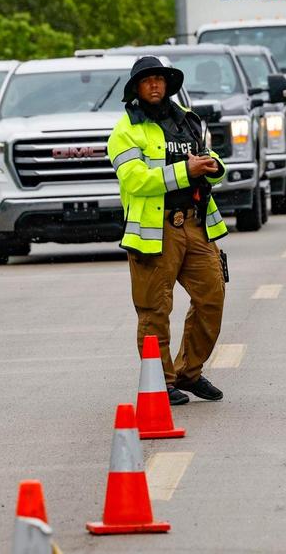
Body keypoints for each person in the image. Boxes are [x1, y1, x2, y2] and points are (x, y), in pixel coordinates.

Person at [107, 56, 229, 406]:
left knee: (212, 298)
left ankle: (189, 372)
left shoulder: (187, 121)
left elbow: (216, 166)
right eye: (148, 80)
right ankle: (160, 381)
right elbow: (134, 179)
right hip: (154, 230)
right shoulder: (126, 130)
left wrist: (211, 166)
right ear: (136, 88)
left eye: (160, 79)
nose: (155, 85)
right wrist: (185, 171)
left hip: (196, 223)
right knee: (154, 310)